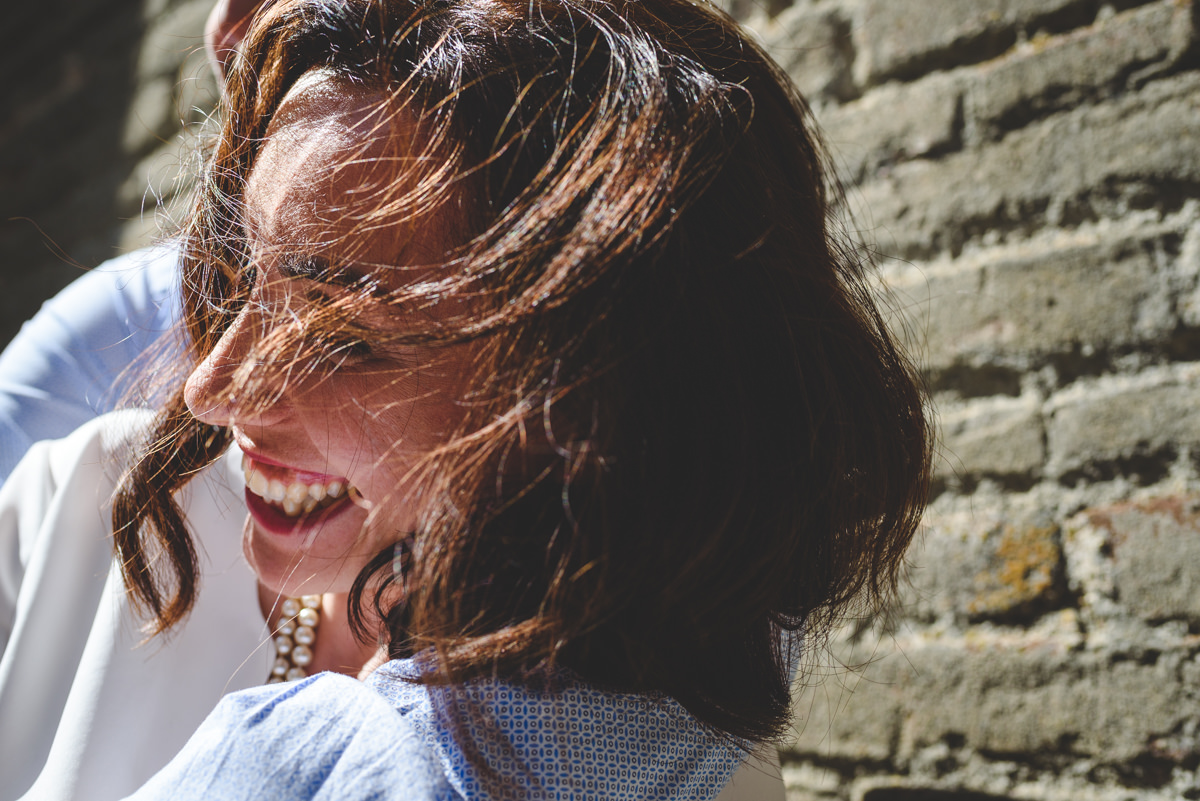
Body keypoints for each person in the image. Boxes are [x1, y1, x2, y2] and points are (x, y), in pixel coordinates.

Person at [4, 0, 931, 797]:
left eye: (342, 337)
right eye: (243, 272)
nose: (213, 390)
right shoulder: (84, 505)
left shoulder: (673, 742)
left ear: (586, 389)